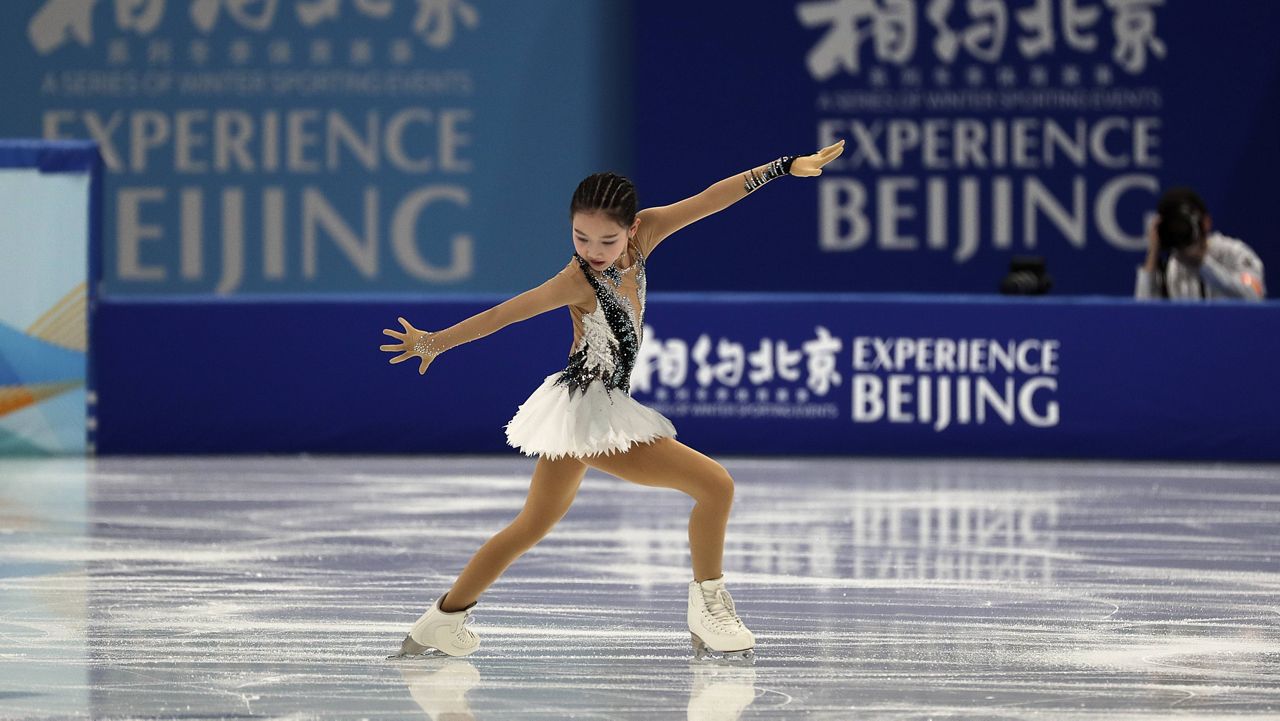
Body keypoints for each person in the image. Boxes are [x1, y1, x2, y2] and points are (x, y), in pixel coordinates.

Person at [379, 141, 845, 661]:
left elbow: (712, 198)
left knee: (531, 525)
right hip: (588, 413)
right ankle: (708, 610)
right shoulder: (576, 279)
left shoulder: (647, 235)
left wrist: (781, 168)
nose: (593, 249)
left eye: (605, 238)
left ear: (629, 229)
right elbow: (505, 314)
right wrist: (435, 341)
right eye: (580, 236)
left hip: (593, 406)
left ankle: (442, 620)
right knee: (716, 486)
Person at [1136, 187, 1266, 300]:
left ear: (1206, 223)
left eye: (1183, 225)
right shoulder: (1165, 265)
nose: (1180, 232)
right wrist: (1152, 255)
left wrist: (1202, 264)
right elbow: (1142, 317)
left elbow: (1254, 294)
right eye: (1174, 227)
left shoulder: (1233, 252)